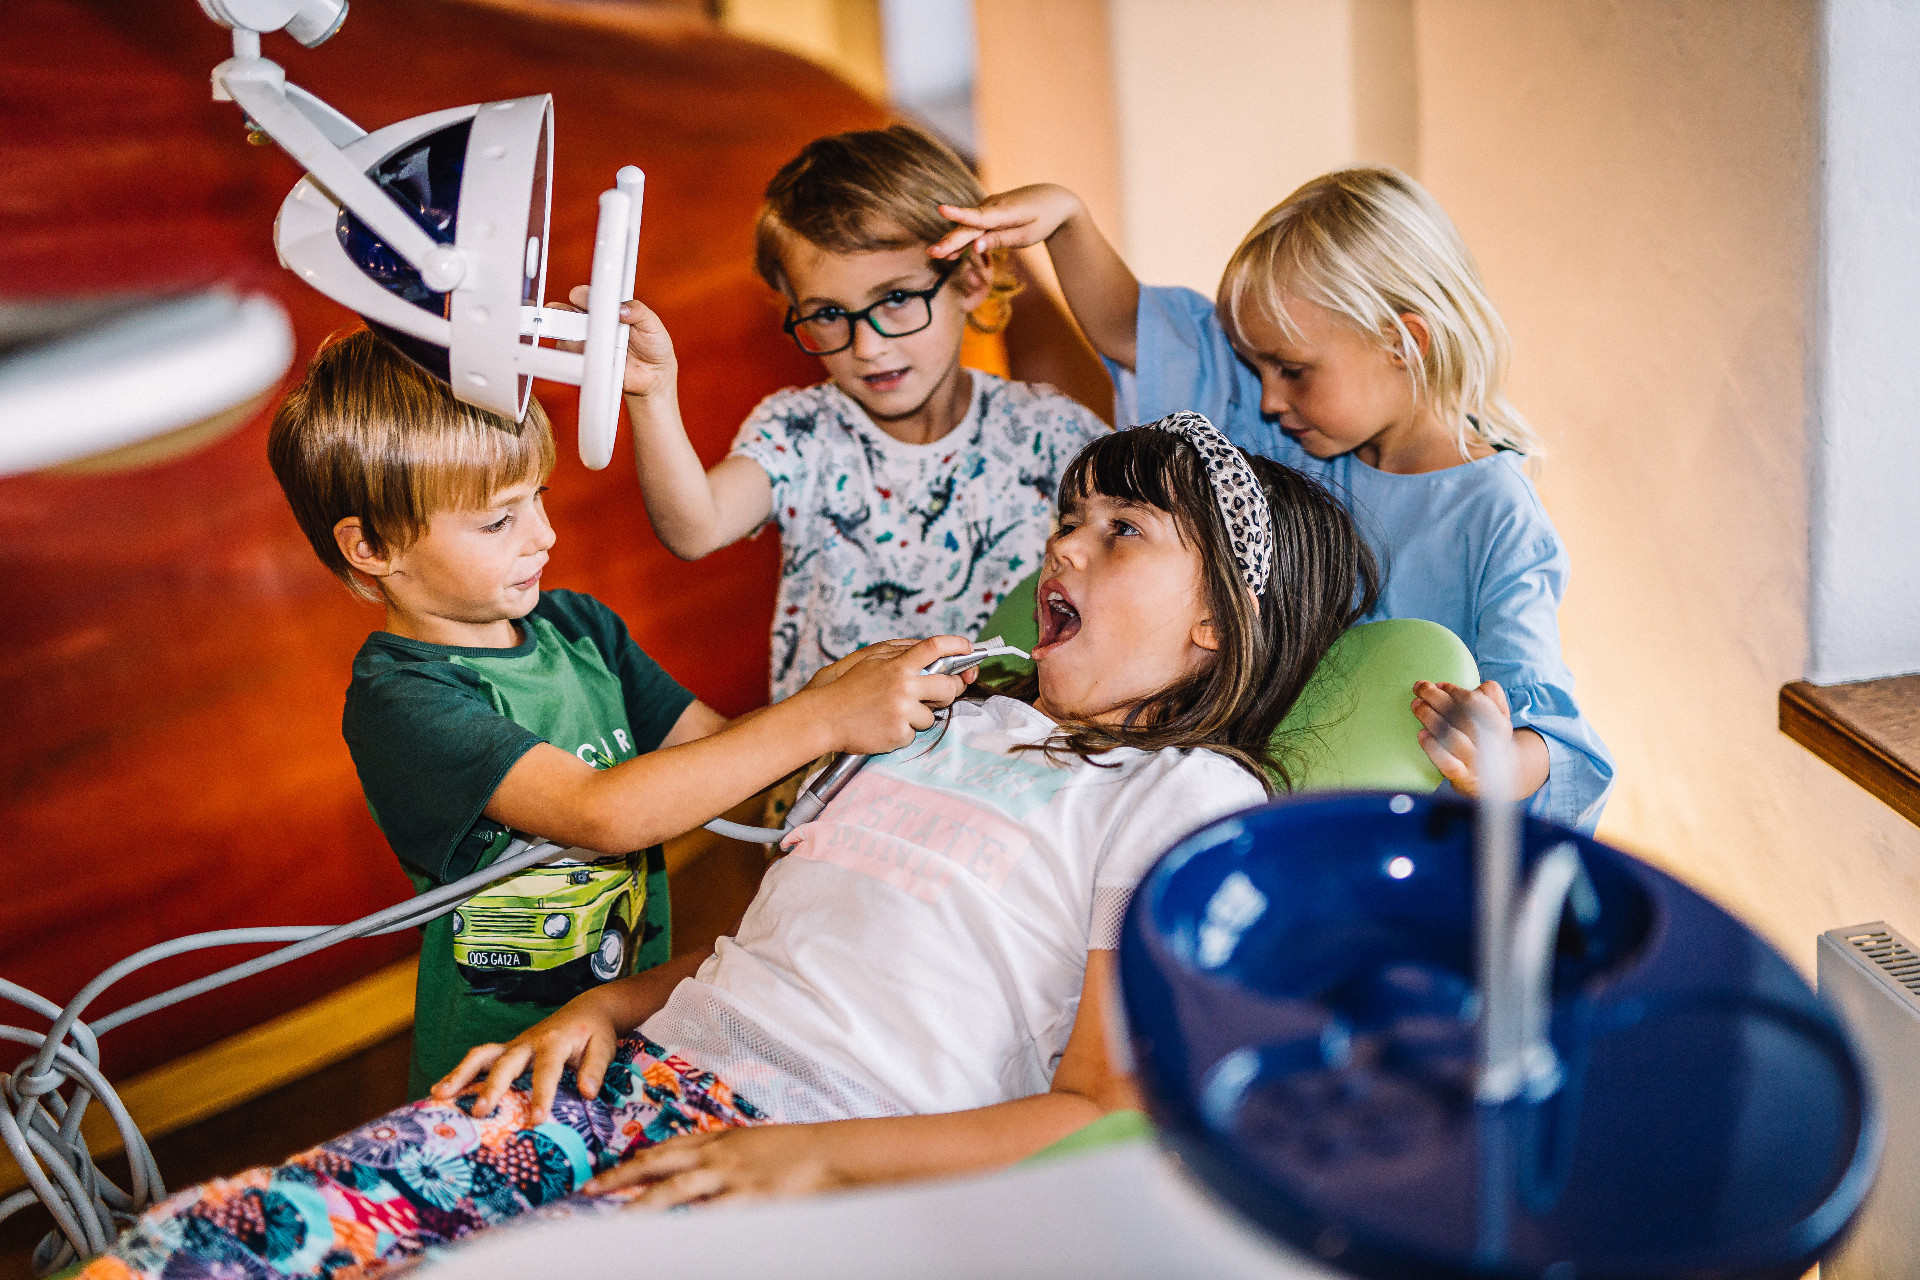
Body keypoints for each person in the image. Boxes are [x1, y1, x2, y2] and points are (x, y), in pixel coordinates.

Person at [79, 416, 1506, 1280]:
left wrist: (809, 1166)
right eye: (1068, 517)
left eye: (1122, 529)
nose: (1062, 549)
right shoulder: (945, 722)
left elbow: (1091, 1109)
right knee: (218, 1239)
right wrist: (613, 1002)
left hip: (814, 1150)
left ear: (1213, 625)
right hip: (641, 1078)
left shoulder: (1180, 796)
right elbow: (800, 939)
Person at [265, 330, 973, 1098]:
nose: (544, 534)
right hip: (499, 1066)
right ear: (371, 547)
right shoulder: (403, 697)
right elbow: (602, 813)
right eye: (499, 521)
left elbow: (720, 754)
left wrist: (841, 700)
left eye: (538, 496)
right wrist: (820, 717)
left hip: (632, 1016)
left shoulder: (578, 627)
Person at [929, 168, 1615, 832]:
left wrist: (1501, 762)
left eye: (1291, 369)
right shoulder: (1294, 429)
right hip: (1211, 785)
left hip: (1365, 832)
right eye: (1255, 367)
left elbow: (1552, 732)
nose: (1265, 399)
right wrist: (1068, 220)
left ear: (1403, 343)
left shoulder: (1497, 517)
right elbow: (1137, 333)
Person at [590, 123, 1107, 704]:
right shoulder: (799, 432)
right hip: (836, 757)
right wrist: (653, 393)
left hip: (1002, 752)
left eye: (896, 298)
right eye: (830, 314)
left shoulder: (1050, 431)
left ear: (971, 277)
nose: (868, 346)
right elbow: (695, 528)